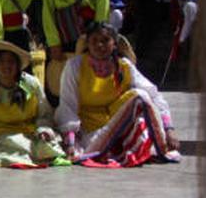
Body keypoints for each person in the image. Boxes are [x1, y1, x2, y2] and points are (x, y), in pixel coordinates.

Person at [56, 22, 179, 166]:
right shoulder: (75, 66)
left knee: (140, 95)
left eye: (105, 40)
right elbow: (68, 105)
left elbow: (153, 94)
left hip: (118, 122)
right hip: (90, 129)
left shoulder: (124, 66)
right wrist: (70, 143)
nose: (100, 45)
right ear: (87, 44)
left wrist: (169, 129)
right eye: (94, 41)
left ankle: (160, 145)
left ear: (114, 44)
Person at [0, 41, 68, 168]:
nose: (6, 66)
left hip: (30, 133)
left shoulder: (31, 84)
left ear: (18, 65)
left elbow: (44, 114)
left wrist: (43, 130)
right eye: (1, 61)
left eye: (10, 61)